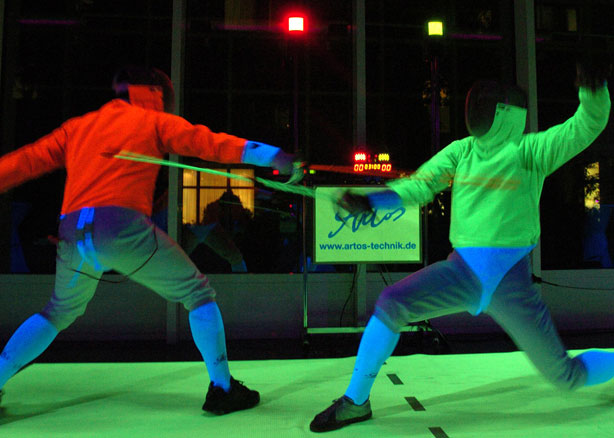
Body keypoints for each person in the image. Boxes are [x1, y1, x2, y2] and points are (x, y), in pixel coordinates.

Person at [310, 62, 612, 432]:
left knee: (566, 376)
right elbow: (420, 185)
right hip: (460, 273)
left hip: (510, 284)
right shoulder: (461, 152)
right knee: (391, 303)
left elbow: (584, 126)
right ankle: (355, 401)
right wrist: (372, 201)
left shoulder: (530, 151)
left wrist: (593, 93)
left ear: (503, 112)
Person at [0, 66, 298, 414]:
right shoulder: (152, 121)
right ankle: (223, 388)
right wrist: (273, 156)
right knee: (198, 293)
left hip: (73, 230)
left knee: (58, 311)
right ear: (154, 93)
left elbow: (25, 161)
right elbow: (209, 143)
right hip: (119, 226)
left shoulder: (79, 126)